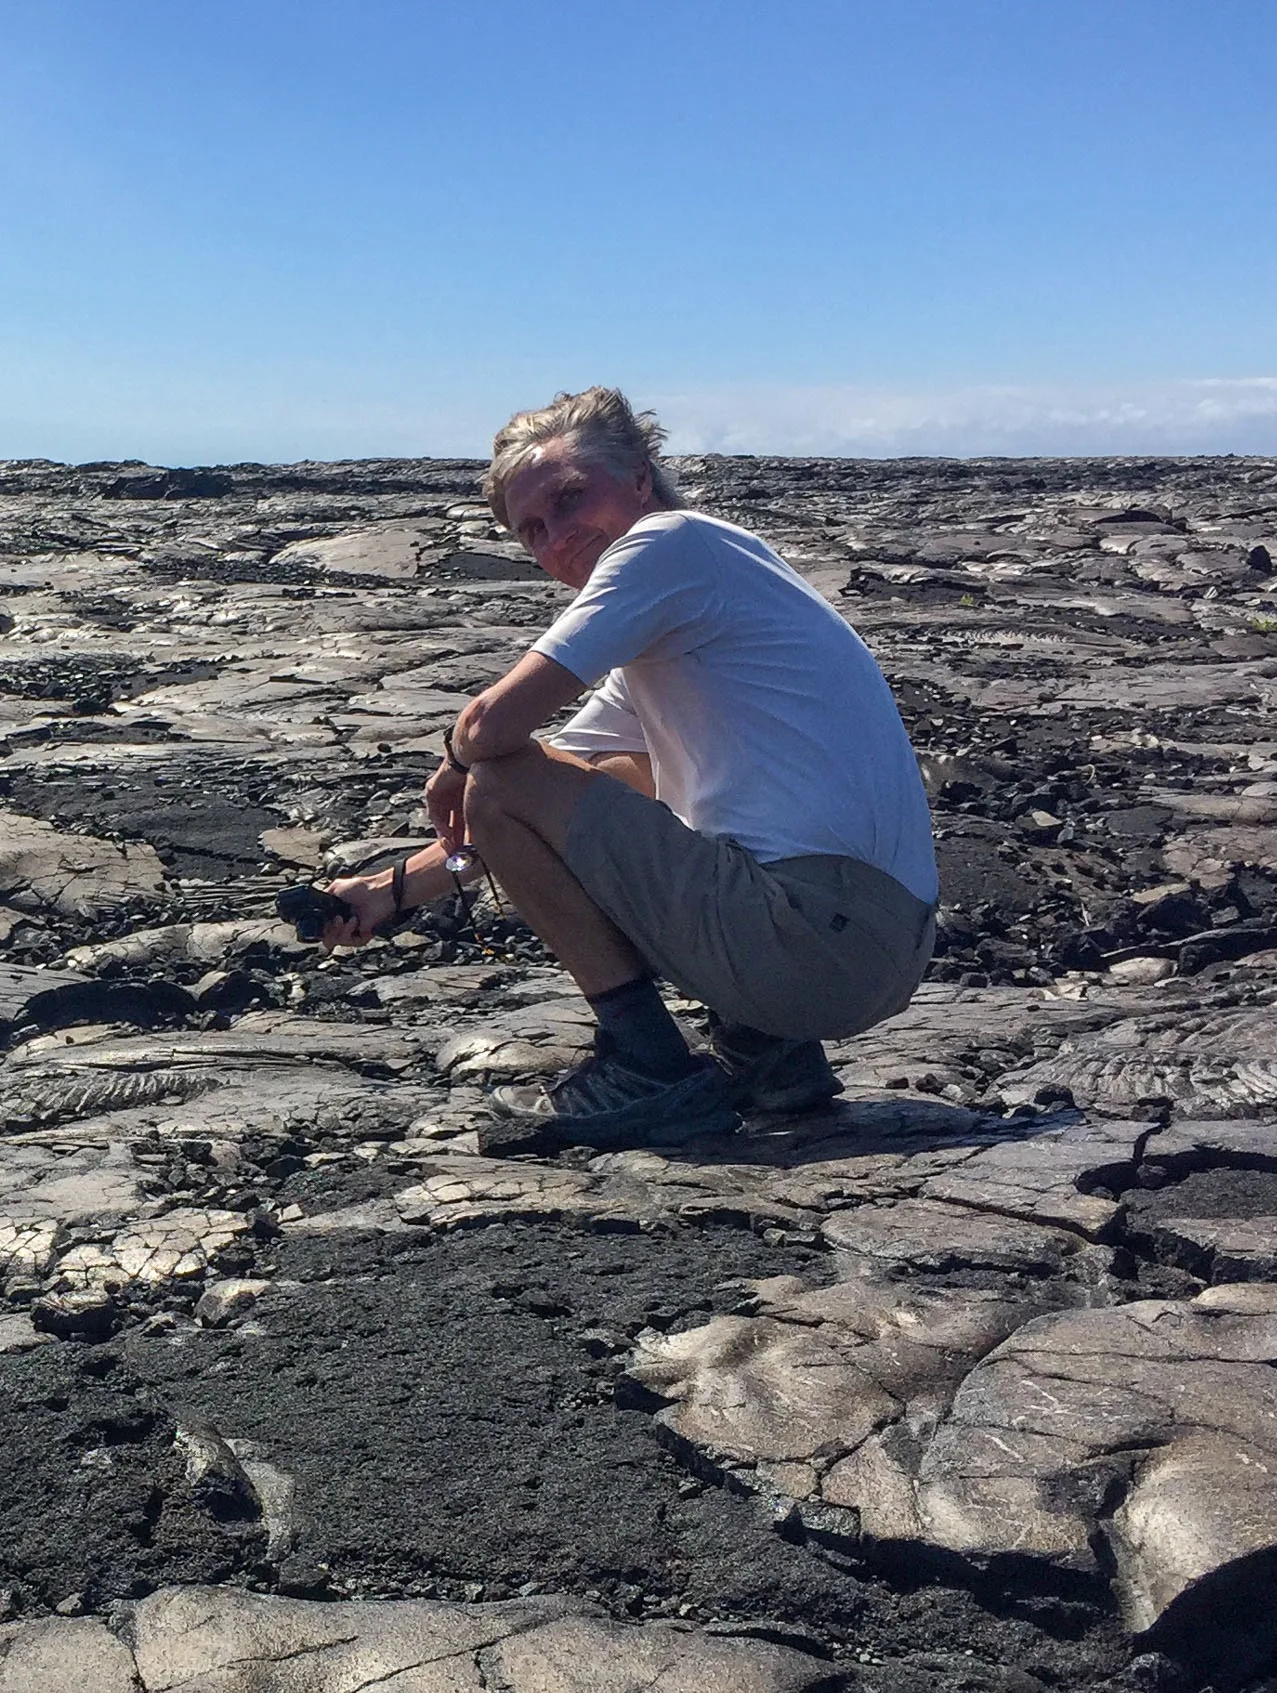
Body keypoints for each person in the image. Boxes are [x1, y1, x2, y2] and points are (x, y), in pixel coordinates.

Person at [322, 386, 939, 1149]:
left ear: (641, 479)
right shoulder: (704, 587)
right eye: (533, 531)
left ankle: (648, 1067)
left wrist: (454, 757)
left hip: (813, 938)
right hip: (875, 945)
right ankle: (770, 1056)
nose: (557, 540)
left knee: (503, 773)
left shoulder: (669, 543)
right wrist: (388, 892)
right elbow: (550, 807)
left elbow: (494, 740)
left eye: (572, 498)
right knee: (612, 776)